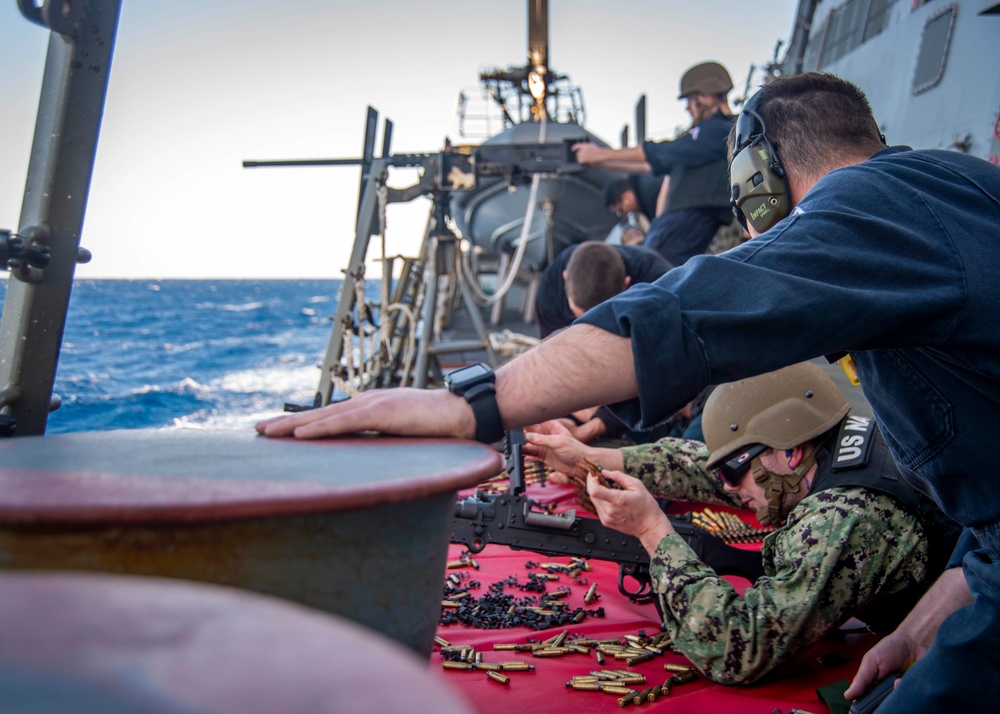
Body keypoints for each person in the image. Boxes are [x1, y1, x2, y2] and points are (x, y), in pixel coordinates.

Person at [256, 72, 1000, 712]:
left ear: (757, 178)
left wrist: (473, 404)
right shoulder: (956, 190)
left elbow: (696, 308)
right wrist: (913, 630)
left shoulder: (875, 206)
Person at [523, 362, 958, 684]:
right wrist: (595, 459)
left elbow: (738, 647)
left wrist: (653, 532)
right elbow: (707, 466)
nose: (727, 487)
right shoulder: (827, 443)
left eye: (735, 470)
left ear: (788, 452)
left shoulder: (842, 518)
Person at [572, 61, 737, 266]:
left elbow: (660, 154)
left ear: (708, 95)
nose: (687, 107)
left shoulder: (719, 130)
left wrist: (600, 155)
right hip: (674, 225)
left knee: (641, 268)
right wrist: (600, 162)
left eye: (690, 99)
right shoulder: (703, 141)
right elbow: (651, 166)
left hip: (682, 225)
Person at [535, 241, 672, 443]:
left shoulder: (660, 286)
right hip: (585, 388)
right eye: (578, 316)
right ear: (565, 278)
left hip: (644, 384)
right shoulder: (551, 287)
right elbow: (555, 363)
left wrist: (597, 424)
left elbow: (662, 376)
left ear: (626, 285)